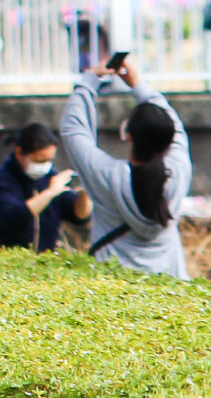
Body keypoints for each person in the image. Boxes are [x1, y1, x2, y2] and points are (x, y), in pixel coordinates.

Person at [59, 55, 192, 278]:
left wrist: (91, 79)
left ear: (127, 135)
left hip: (116, 287)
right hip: (172, 285)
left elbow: (73, 128)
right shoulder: (179, 171)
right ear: (169, 141)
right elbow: (173, 124)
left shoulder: (107, 176)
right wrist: (137, 84)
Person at [0, 122, 89, 252]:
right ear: (20, 153)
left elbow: (80, 216)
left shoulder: (51, 178)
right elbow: (12, 219)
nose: (45, 166)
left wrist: (85, 194)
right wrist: (50, 193)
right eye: (40, 161)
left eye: (49, 160)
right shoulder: (0, 181)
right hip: (5, 259)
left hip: (43, 260)